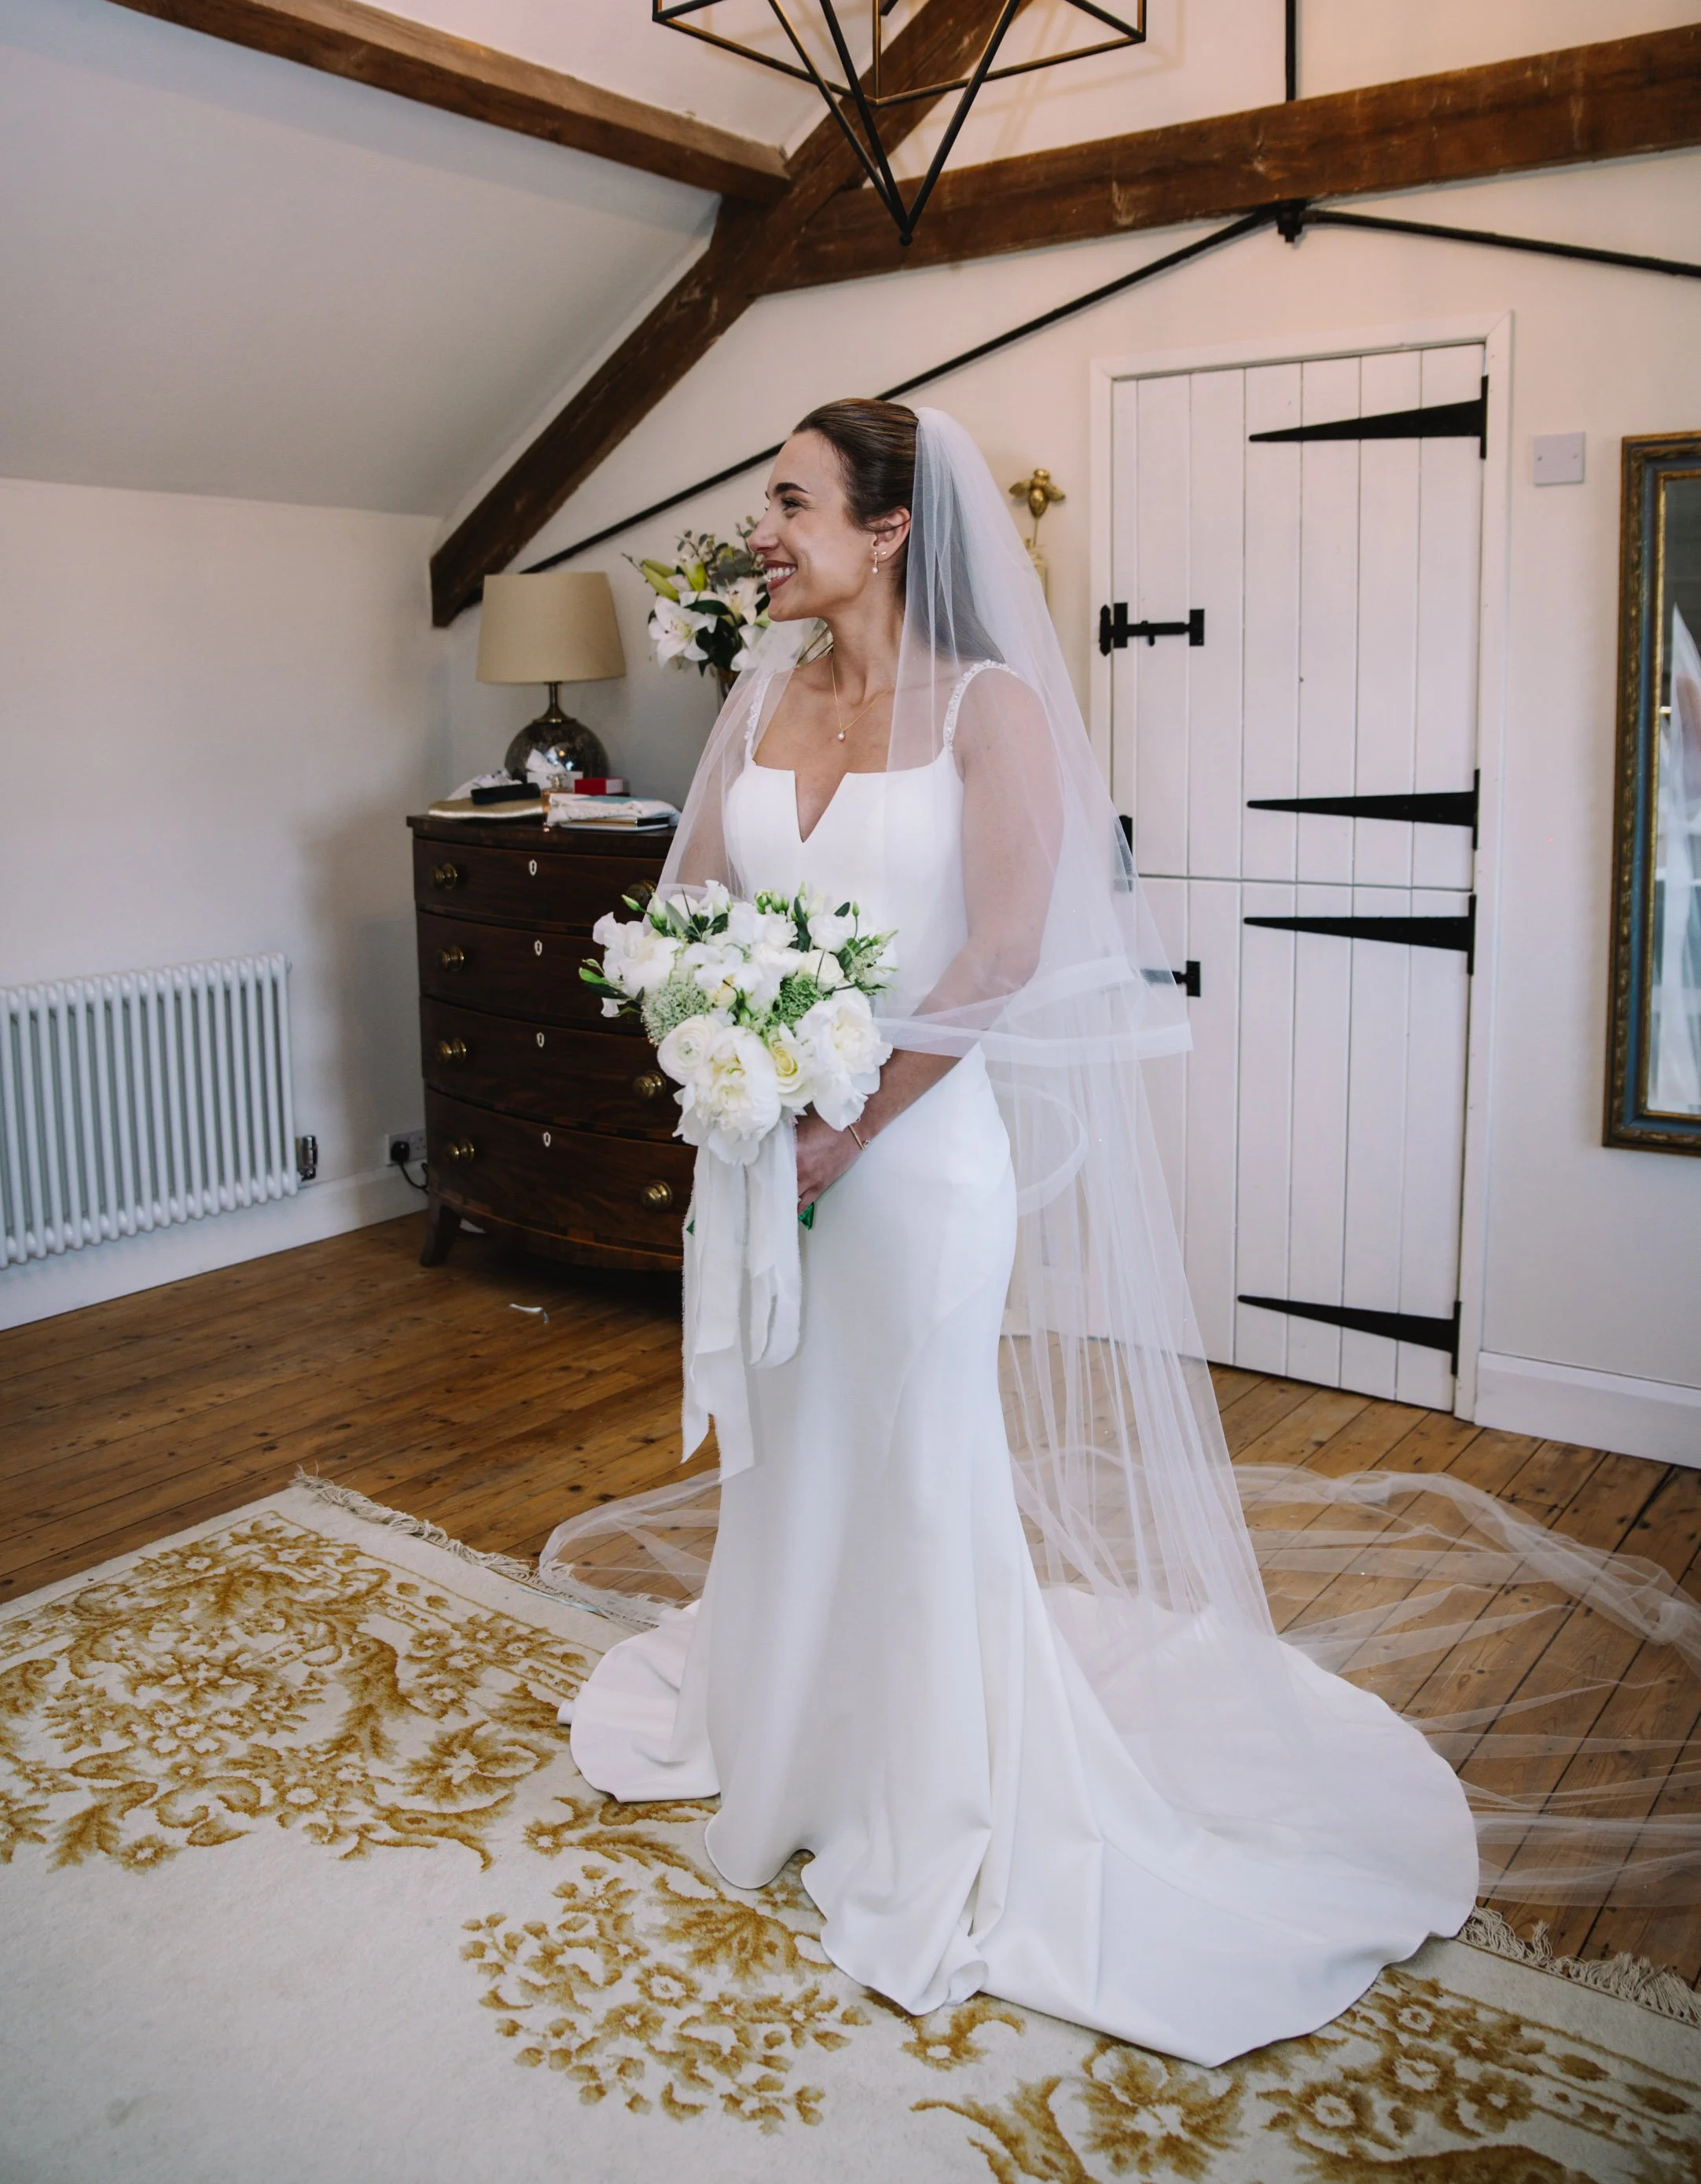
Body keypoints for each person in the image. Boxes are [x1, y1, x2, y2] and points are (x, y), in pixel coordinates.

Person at [543, 403, 1677, 2065]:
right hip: (768, 1146)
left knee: (913, 1461)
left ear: (889, 529)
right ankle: (789, 1742)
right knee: (791, 1452)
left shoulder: (989, 709)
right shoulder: (766, 694)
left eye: (789, 502)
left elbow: (1002, 957)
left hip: (916, 1161)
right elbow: (693, 907)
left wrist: (850, 1120)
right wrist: (724, 1049)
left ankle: (927, 1789)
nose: (758, 534)